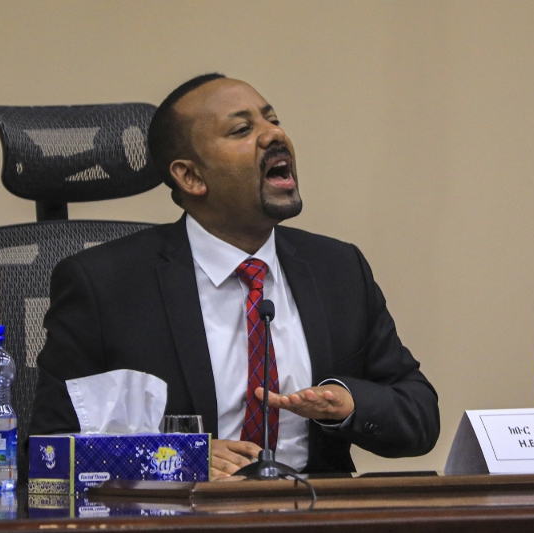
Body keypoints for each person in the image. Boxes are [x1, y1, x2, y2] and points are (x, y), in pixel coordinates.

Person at [30, 73, 440, 478]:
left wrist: (349, 405)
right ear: (190, 176)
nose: (272, 135)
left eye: (273, 119)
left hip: (316, 515)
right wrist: (178, 461)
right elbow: (46, 452)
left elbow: (419, 413)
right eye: (243, 129)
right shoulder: (105, 286)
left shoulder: (338, 268)